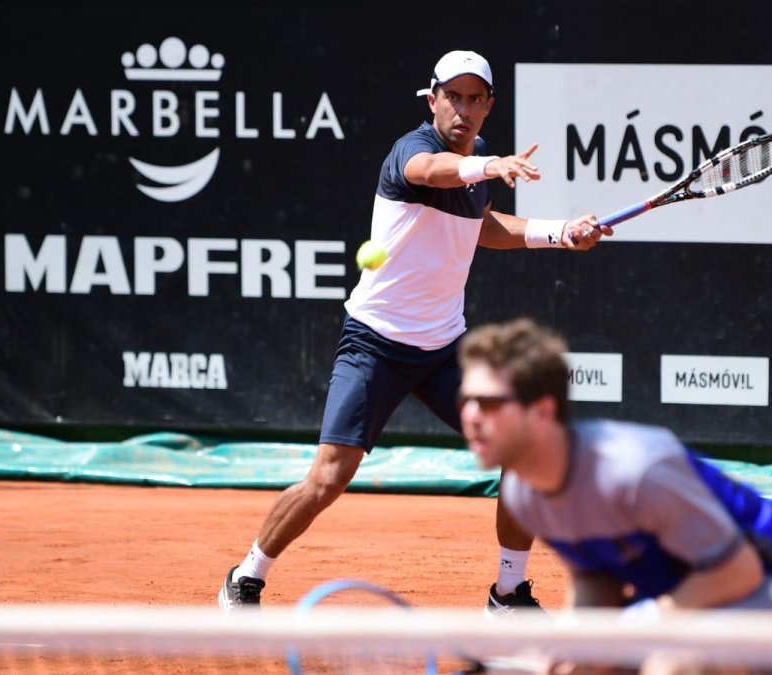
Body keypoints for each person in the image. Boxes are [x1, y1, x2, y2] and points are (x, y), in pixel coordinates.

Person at [218, 50, 613, 615]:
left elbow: (485, 226)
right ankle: (246, 575)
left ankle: (507, 594)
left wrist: (559, 233)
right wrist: (490, 166)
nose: (464, 108)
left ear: (489, 106)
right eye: (453, 95)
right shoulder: (414, 149)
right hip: (375, 341)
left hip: (444, 346)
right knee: (330, 476)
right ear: (432, 100)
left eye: (476, 98)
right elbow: (430, 174)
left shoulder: (478, 159)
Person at [457, 318, 772, 669]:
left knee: (676, 665)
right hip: (682, 594)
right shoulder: (525, 493)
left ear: (541, 412)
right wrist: (576, 642)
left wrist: (637, 626)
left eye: (489, 403)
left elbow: (738, 570)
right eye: (466, 401)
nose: (471, 416)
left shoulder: (636, 472)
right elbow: (595, 578)